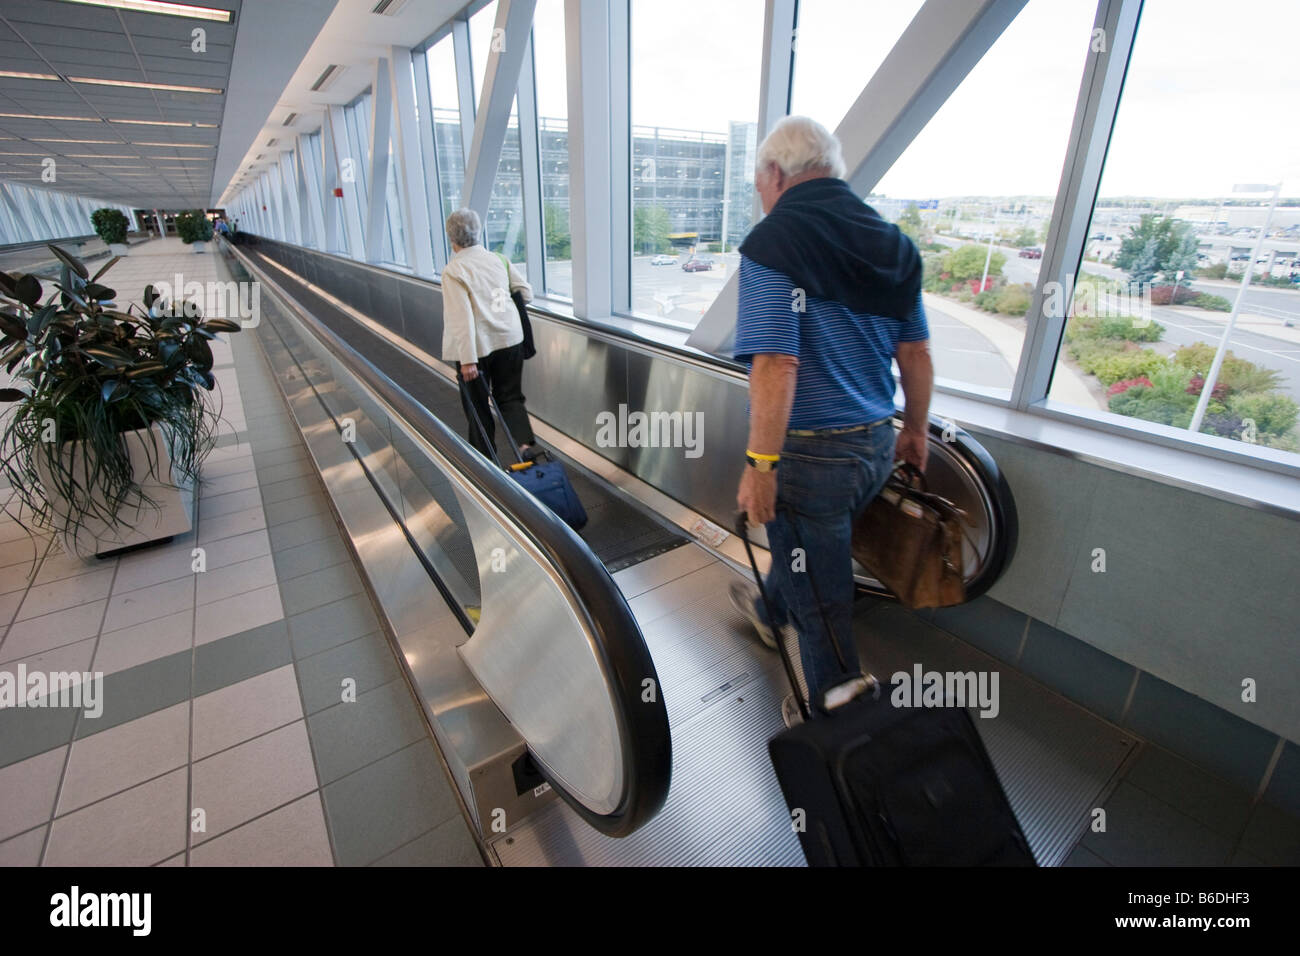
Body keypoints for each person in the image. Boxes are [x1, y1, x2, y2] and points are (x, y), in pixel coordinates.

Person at [729, 116, 934, 728]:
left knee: (822, 598)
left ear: (773, 173)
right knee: (809, 548)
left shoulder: (775, 240)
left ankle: (836, 716)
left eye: (758, 184)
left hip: (810, 454)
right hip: (874, 446)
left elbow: (777, 363)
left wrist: (760, 465)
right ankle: (769, 613)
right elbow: (916, 354)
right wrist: (916, 431)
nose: (761, 197)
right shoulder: (893, 243)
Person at [441, 207, 540, 460]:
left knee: (477, 407)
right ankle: (525, 448)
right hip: (510, 340)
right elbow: (525, 293)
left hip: (479, 348)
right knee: (510, 398)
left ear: (452, 240)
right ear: (478, 232)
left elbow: (461, 318)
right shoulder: (498, 259)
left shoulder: (454, 271)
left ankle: (485, 462)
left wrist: (467, 361)